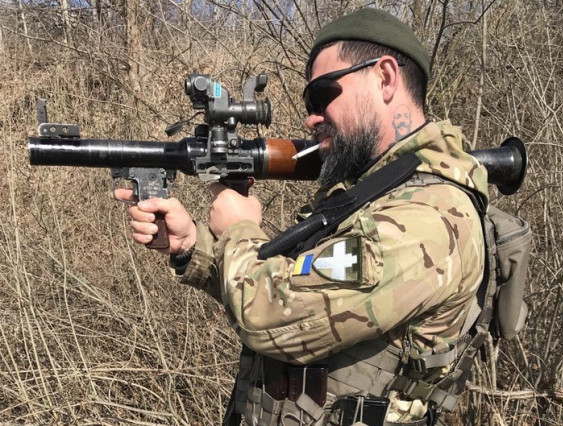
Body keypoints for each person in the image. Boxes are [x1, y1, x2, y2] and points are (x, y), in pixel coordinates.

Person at [116, 8, 488, 426]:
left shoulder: (427, 217)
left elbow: (271, 316)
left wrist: (239, 229)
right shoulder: (370, 194)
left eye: (321, 95)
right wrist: (192, 246)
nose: (311, 117)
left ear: (385, 77)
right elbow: (296, 288)